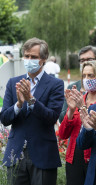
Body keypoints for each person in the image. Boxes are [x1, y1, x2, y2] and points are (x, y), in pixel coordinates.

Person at [0, 38, 64, 185]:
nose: (29, 60)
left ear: (43, 59)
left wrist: (31, 99)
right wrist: (19, 103)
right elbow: (4, 118)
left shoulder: (56, 84)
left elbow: (52, 117)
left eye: (34, 57)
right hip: (15, 153)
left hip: (43, 154)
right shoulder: (13, 82)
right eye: (27, 56)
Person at [58, 60, 96, 185]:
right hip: (73, 158)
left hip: (94, 159)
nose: (86, 79)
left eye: (91, 75)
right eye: (84, 76)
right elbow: (62, 134)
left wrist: (82, 107)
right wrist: (71, 110)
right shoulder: (80, 98)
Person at [59, 45, 96, 122]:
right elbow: (61, 119)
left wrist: (83, 107)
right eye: (82, 60)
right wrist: (71, 110)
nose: (85, 63)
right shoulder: (73, 87)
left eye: (89, 59)